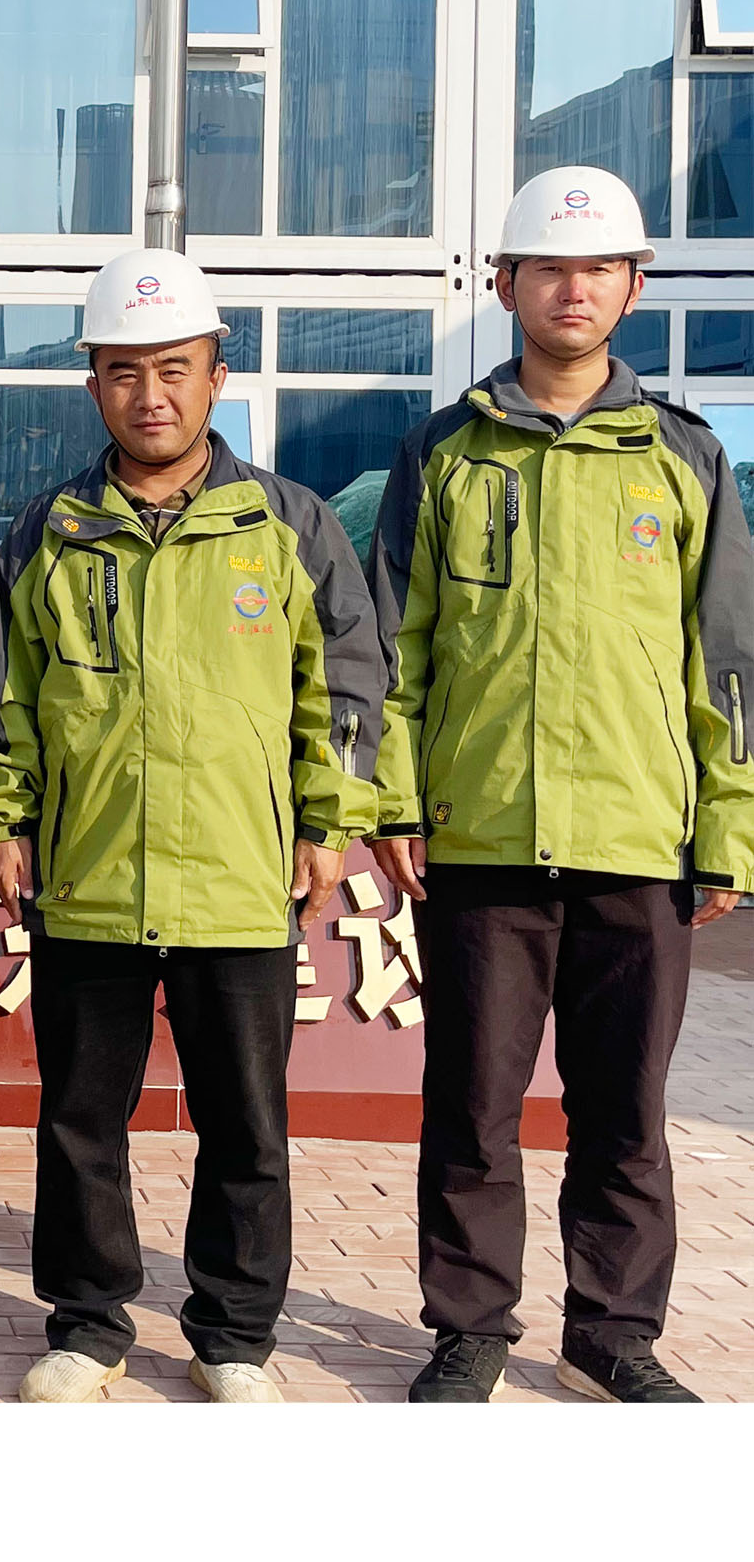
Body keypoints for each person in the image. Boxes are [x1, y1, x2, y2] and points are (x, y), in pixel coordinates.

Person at [0, 249, 382, 1404]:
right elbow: (9, 694)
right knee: (80, 1121)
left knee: (244, 1125)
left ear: (215, 376)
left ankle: (232, 1335)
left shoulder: (287, 523)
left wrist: (325, 821)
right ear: (92, 383)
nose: (148, 394)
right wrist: (3, 816)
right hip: (88, 874)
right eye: (122, 371)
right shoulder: (49, 531)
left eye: (172, 369)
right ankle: (87, 1322)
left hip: (240, 877)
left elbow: (343, 687)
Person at [371, 166, 754, 1404]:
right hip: (480, 833)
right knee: (472, 1107)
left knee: (625, 1111)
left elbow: (724, 660)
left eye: (597, 269)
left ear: (632, 288)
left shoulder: (683, 456)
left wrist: (725, 830)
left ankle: (612, 1333)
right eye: (548, 267)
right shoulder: (442, 451)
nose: (572, 288)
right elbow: (397, 648)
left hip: (638, 836)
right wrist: (391, 800)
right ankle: (467, 1328)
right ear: (503, 284)